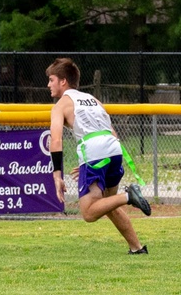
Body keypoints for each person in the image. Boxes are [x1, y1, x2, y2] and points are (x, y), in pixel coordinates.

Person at [46, 57, 151, 253]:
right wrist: (94, 162)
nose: (48, 84)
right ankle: (136, 248)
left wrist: (57, 174)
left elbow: (56, 140)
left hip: (95, 152)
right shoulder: (93, 100)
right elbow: (110, 131)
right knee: (106, 205)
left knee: (88, 212)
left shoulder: (60, 106)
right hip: (114, 149)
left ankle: (128, 195)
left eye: (51, 79)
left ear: (63, 81)